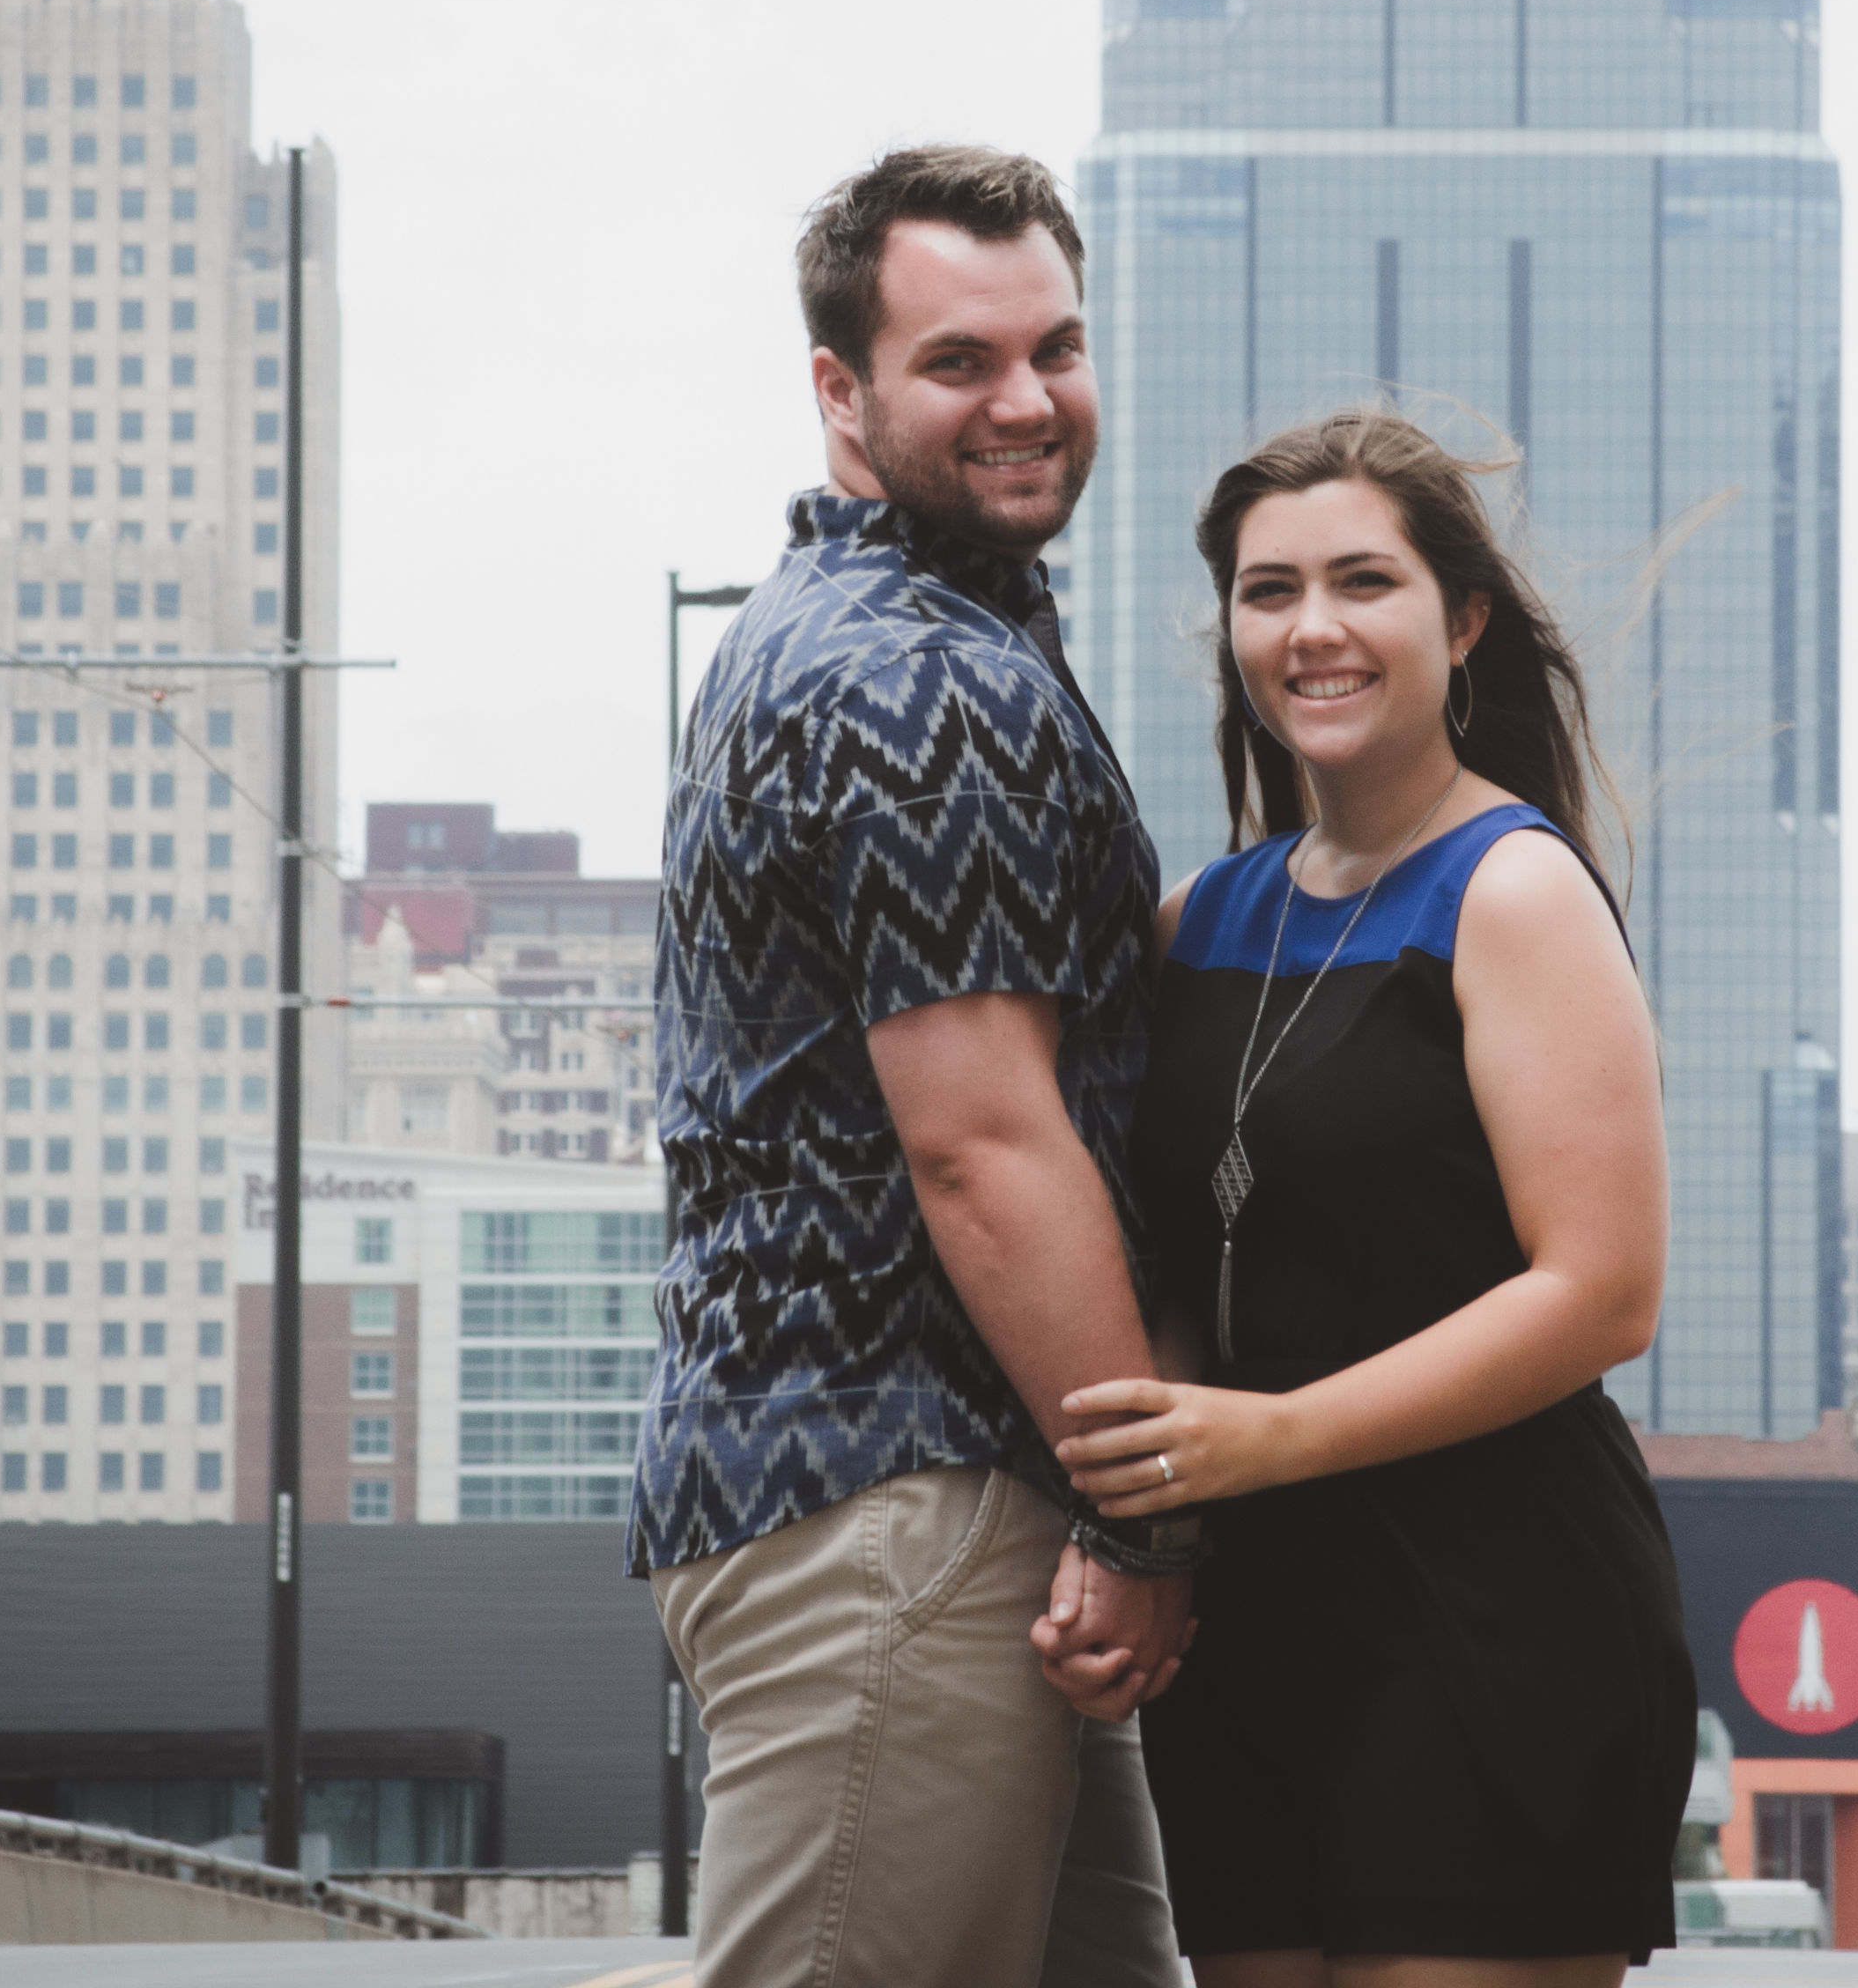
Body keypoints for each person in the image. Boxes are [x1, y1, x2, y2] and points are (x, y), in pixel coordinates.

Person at [633, 144, 1196, 1988]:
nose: (1026, 400)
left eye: (1058, 348)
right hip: (904, 1499)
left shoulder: (841, 628)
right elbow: (984, 1149)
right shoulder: (919, 683)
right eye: (960, 361)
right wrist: (1142, 1512)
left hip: (901, 1490)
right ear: (842, 389)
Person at [1055, 409, 1694, 1987]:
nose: (1312, 629)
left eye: (1362, 581)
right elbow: (1183, 1265)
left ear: (1460, 621)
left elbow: (1602, 1291)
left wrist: (1270, 1439)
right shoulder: (1197, 918)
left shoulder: (1516, 892)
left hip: (1495, 1607)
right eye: (1269, 592)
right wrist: (1150, 1523)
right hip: (1254, 1626)